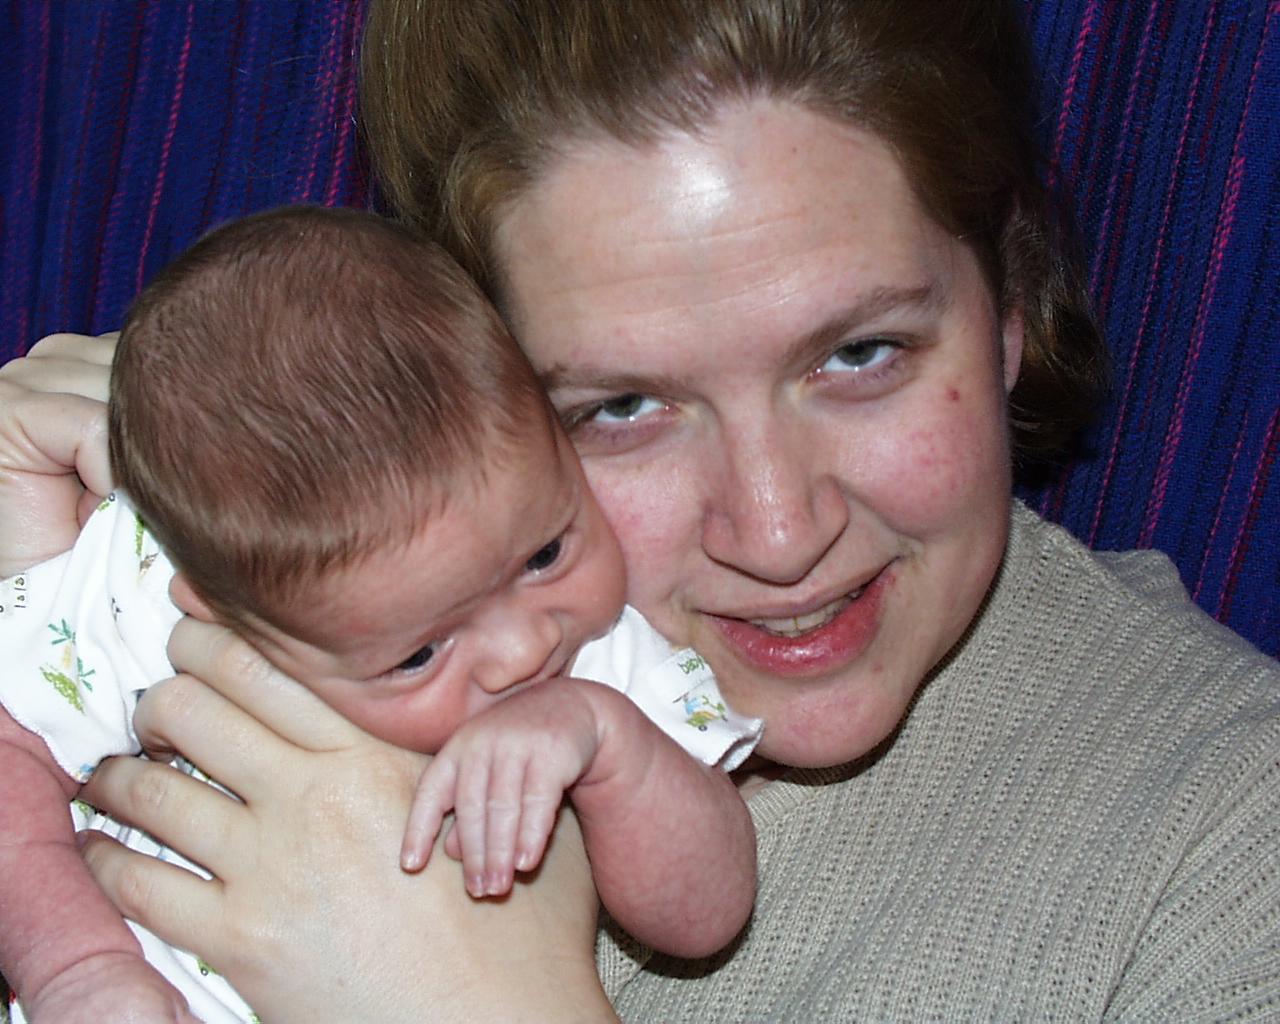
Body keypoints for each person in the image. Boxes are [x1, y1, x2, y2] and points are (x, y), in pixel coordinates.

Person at [2, 0, 1278, 1019]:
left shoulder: (1226, 843)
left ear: (1006, 306)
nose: (776, 534)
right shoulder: (271, 588)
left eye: (859, 353)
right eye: (619, 406)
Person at [0, 206, 757, 1024]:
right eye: (419, 654)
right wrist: (78, 968)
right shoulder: (149, 585)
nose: (523, 648)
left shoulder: (603, 666)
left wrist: (610, 747)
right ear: (224, 610)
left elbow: (707, 916)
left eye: (544, 554)